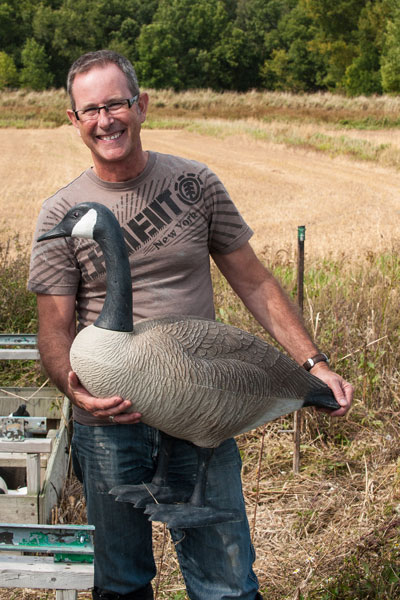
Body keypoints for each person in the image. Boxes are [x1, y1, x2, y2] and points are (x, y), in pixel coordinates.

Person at [28, 50, 353, 600]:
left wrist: (313, 364)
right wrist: (76, 391)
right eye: (91, 110)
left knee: (225, 584)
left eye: (117, 103)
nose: (105, 119)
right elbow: (54, 328)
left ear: (142, 105)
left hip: (199, 406)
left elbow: (254, 280)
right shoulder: (62, 213)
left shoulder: (194, 184)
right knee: (122, 583)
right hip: (111, 426)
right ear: (74, 121)